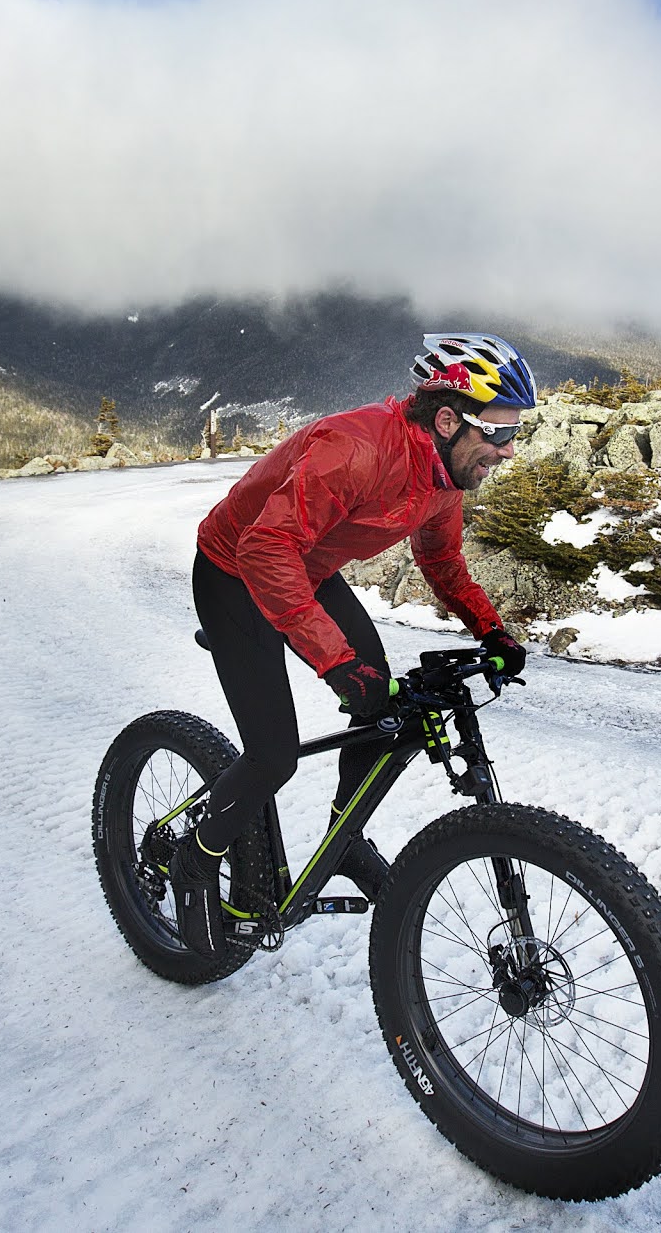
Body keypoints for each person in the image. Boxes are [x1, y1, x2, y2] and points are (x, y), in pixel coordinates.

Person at [171, 332, 537, 958]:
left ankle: (345, 840)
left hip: (307, 567)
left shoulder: (444, 475)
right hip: (236, 569)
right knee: (273, 756)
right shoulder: (357, 449)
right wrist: (335, 662)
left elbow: (441, 560)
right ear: (448, 421)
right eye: (499, 433)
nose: (507, 451)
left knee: (384, 709)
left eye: (516, 433)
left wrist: (491, 630)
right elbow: (265, 548)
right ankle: (194, 859)